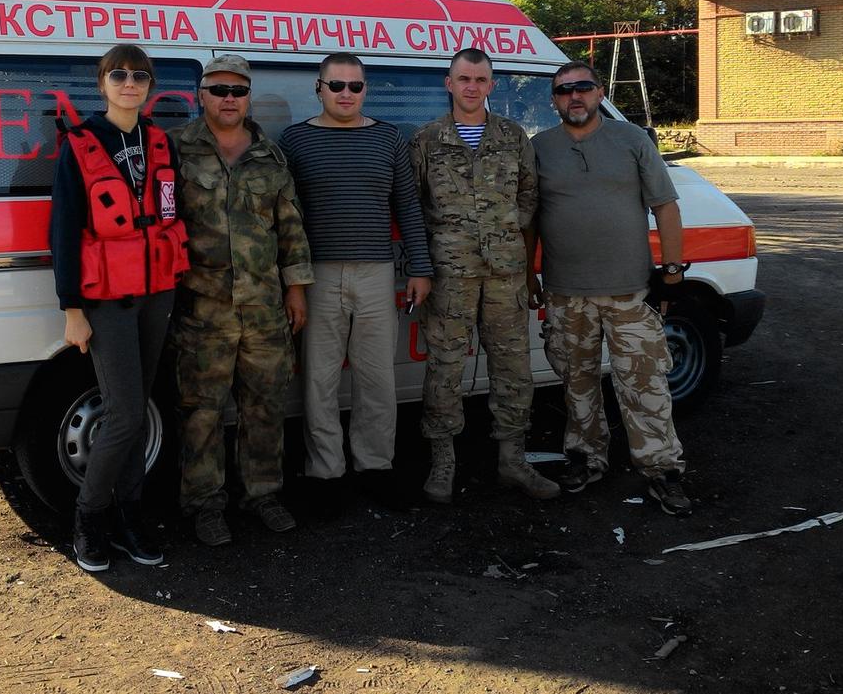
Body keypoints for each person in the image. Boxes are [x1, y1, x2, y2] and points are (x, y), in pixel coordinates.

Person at [529, 61, 692, 516]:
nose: (573, 97)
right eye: (563, 91)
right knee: (576, 384)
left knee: (644, 385)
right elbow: (529, 219)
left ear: (600, 92)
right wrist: (528, 273)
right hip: (566, 294)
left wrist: (673, 272)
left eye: (582, 88)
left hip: (630, 293)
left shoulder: (632, 140)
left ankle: (662, 471)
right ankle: (585, 458)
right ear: (554, 100)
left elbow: (666, 206)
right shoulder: (539, 148)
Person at [50, 44, 191, 571]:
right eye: (119, 75)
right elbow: (62, 230)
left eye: (139, 75)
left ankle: (131, 519)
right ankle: (89, 518)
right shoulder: (81, 144)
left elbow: (171, 213)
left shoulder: (159, 142)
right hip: (106, 300)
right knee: (127, 412)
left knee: (134, 414)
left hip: (157, 294)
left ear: (150, 85)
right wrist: (72, 309)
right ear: (102, 83)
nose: (129, 83)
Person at [168, 54, 315, 547]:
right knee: (202, 411)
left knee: (265, 407)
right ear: (201, 95)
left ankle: (263, 495)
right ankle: (205, 505)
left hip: (264, 308)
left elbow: (291, 228)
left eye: (238, 90)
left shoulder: (270, 156)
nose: (229, 99)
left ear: (248, 96)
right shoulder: (175, 150)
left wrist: (296, 290)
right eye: (219, 90)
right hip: (201, 308)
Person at [279, 53, 433, 510]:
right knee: (319, 380)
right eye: (336, 85)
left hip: (376, 272)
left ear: (366, 89)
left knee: (377, 378)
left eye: (355, 86)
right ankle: (325, 473)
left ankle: (376, 467)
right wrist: (292, 282)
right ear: (319, 88)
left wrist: (420, 268)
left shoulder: (388, 139)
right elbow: (286, 216)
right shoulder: (295, 140)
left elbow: (407, 205)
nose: (346, 93)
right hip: (317, 275)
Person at [409, 49, 557, 504]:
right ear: (448, 84)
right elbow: (414, 205)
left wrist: (511, 241)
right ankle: (443, 463)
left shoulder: (513, 137)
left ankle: (513, 461)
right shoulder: (427, 140)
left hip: (505, 275)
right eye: (463, 78)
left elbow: (530, 197)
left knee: (513, 369)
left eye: (481, 79)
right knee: (444, 369)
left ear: (491, 86)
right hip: (449, 278)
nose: (472, 86)